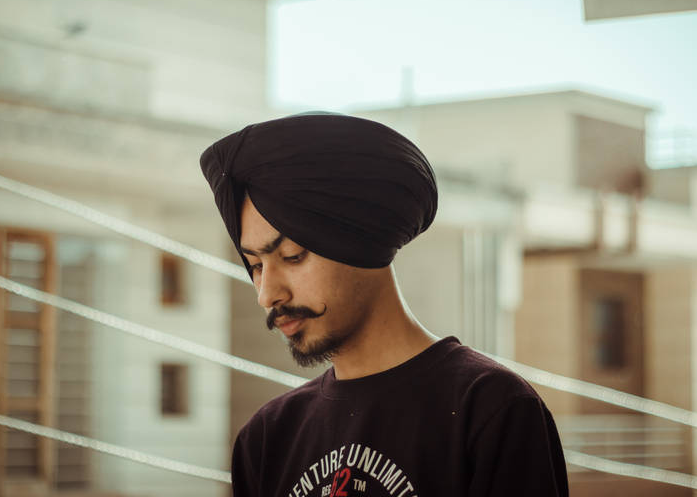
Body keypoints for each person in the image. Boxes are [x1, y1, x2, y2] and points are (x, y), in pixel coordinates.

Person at [200, 112, 569, 497]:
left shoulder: (491, 410)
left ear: (359, 242)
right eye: (256, 265)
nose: (267, 294)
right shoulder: (266, 439)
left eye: (292, 256)